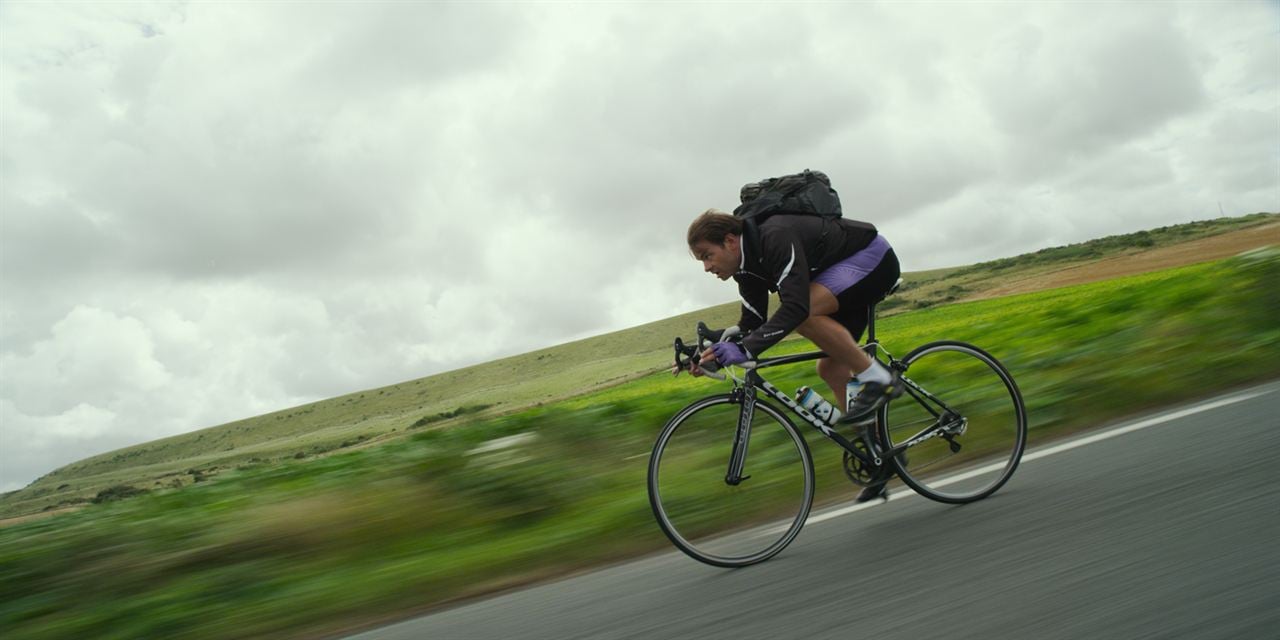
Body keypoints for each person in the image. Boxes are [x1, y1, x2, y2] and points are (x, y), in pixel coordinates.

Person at [684, 208, 902, 501]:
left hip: (871, 261)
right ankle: (880, 457)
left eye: (707, 256)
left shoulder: (775, 237)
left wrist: (745, 349)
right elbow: (751, 324)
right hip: (838, 282)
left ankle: (881, 379)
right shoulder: (746, 270)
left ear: (730, 241)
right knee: (831, 370)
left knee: (804, 314)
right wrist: (705, 355)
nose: (707, 267)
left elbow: (796, 308)